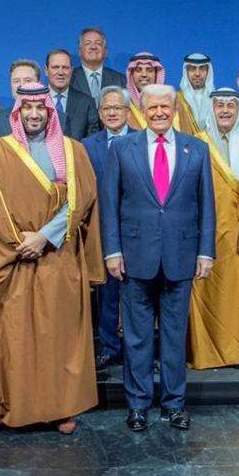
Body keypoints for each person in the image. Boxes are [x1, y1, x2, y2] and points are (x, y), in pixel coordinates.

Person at [0, 84, 104, 434]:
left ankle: (61, 408)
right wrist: (21, 242)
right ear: (17, 113)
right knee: (11, 334)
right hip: (12, 259)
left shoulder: (72, 151)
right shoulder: (0, 151)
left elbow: (82, 198)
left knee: (57, 335)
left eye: (40, 108)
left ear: (50, 111)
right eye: (27, 108)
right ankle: (2, 405)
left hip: (57, 256)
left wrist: (45, 236)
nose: (34, 114)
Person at [101, 84, 215, 432]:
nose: (160, 113)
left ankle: (174, 404)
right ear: (142, 110)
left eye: (166, 107)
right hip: (135, 257)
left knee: (174, 334)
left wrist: (205, 251)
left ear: (175, 108)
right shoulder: (122, 149)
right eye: (153, 108)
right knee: (135, 336)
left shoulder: (196, 149)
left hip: (181, 256)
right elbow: (110, 204)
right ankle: (137, 405)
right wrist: (112, 250)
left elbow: (206, 205)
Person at [187, 88, 239, 369]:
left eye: (230, 106)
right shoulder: (197, 144)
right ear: (211, 109)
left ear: (238, 110)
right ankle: (215, 352)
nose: (224, 110)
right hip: (207, 236)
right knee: (212, 296)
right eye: (219, 105)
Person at [81, 85, 138, 370]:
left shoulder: (143, 141)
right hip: (102, 230)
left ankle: (136, 349)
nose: (112, 112)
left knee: (137, 293)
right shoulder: (86, 146)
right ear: (100, 114)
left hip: (137, 231)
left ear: (128, 112)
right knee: (106, 293)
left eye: (118, 108)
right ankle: (108, 346)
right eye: (107, 108)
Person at [45, 48, 100, 139]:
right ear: (46, 70)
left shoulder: (86, 103)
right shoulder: (37, 101)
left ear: (71, 70)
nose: (60, 72)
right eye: (55, 67)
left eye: (65, 68)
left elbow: (92, 141)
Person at [0, 59, 41, 143]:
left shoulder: (58, 119)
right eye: (16, 81)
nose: (21, 85)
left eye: (28, 80)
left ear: (39, 84)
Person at [70, 26, 126, 98]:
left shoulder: (120, 80)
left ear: (105, 51)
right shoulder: (69, 78)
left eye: (98, 43)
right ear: (79, 51)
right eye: (87, 43)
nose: (93, 47)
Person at [123, 51, 168, 130]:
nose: (144, 74)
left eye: (149, 70)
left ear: (156, 74)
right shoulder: (122, 104)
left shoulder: (171, 102)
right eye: (138, 70)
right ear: (131, 74)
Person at [177, 53, 215, 134]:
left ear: (208, 72)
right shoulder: (176, 98)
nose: (197, 74)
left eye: (202, 69)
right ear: (186, 71)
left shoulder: (216, 99)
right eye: (192, 69)